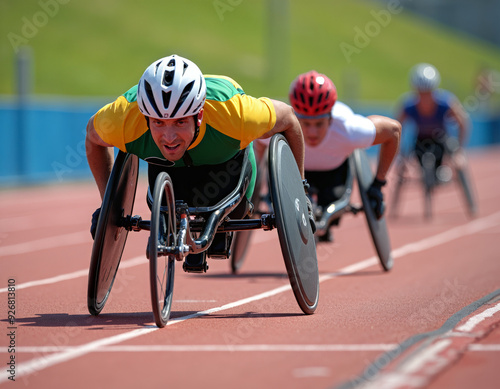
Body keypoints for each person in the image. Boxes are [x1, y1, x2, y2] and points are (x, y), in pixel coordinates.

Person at [85, 54, 310, 272]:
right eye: (158, 123)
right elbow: (92, 138)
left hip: (227, 162)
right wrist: (109, 204)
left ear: (199, 115)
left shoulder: (236, 114)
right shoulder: (124, 118)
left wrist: (301, 192)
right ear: (145, 117)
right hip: (168, 169)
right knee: (162, 208)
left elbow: (290, 119)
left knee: (238, 212)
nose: (169, 136)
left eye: (180, 122)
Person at [286, 70, 401, 242]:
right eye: (305, 123)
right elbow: (258, 146)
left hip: (335, 171)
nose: (312, 132)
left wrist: (378, 183)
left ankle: (327, 224)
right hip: (297, 172)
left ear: (330, 119)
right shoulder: (283, 126)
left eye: (319, 124)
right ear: (295, 118)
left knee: (332, 201)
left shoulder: (348, 129)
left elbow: (393, 131)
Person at [396, 63, 470, 183]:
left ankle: (443, 170)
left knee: (457, 162)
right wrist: (400, 157)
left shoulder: (446, 102)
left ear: (434, 90)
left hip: (443, 141)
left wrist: (459, 152)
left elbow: (463, 123)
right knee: (405, 165)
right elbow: (397, 129)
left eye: (428, 92)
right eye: (421, 93)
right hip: (420, 142)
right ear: (415, 91)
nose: (425, 97)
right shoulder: (408, 106)